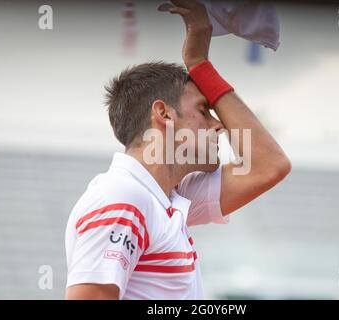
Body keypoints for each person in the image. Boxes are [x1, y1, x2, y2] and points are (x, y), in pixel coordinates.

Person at [65, 0, 291, 300]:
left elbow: (269, 165)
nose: (218, 125)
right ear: (165, 115)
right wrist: (199, 65)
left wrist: (201, 66)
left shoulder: (163, 198)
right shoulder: (124, 198)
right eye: (204, 110)